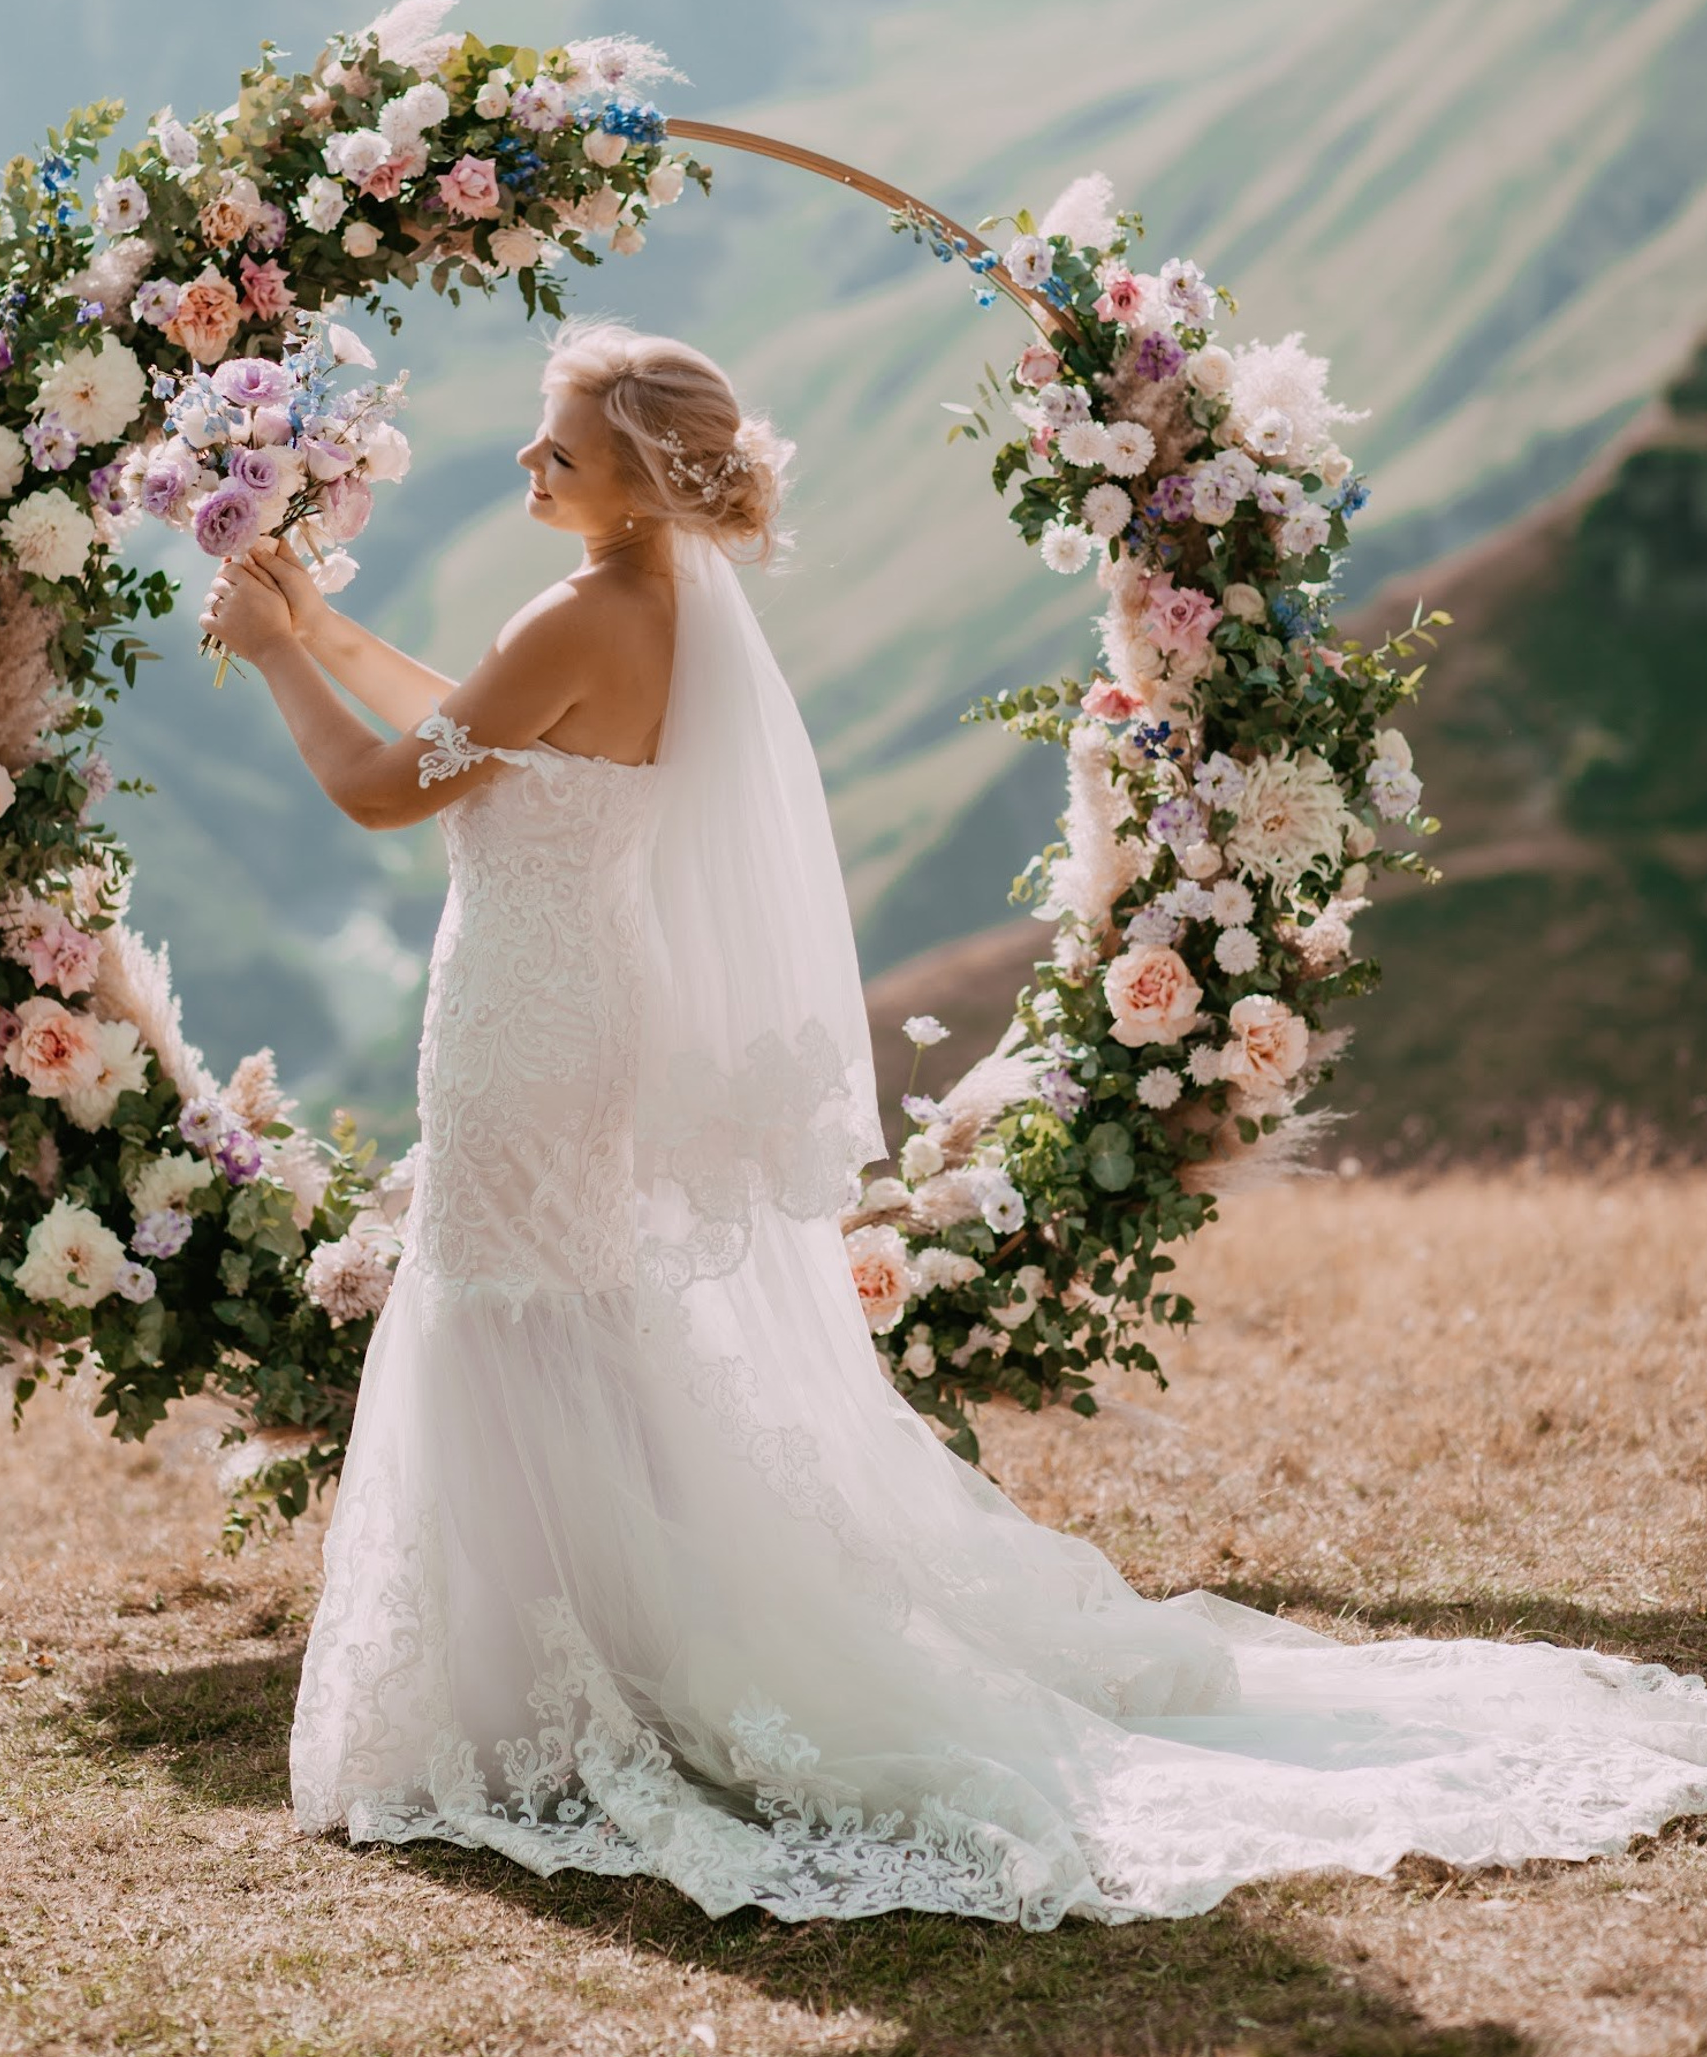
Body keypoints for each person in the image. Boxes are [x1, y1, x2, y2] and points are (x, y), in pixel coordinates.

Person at [202, 316, 1707, 1926]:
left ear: (637, 485)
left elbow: (383, 787)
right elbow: (480, 723)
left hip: (531, 1019)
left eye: (556, 448)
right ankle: (589, 1660)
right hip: (566, 1005)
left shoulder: (584, 608)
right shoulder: (638, 609)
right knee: (561, 1313)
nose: (527, 461)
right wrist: (319, 630)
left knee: (513, 1306)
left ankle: (544, 1682)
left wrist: (277, 647)